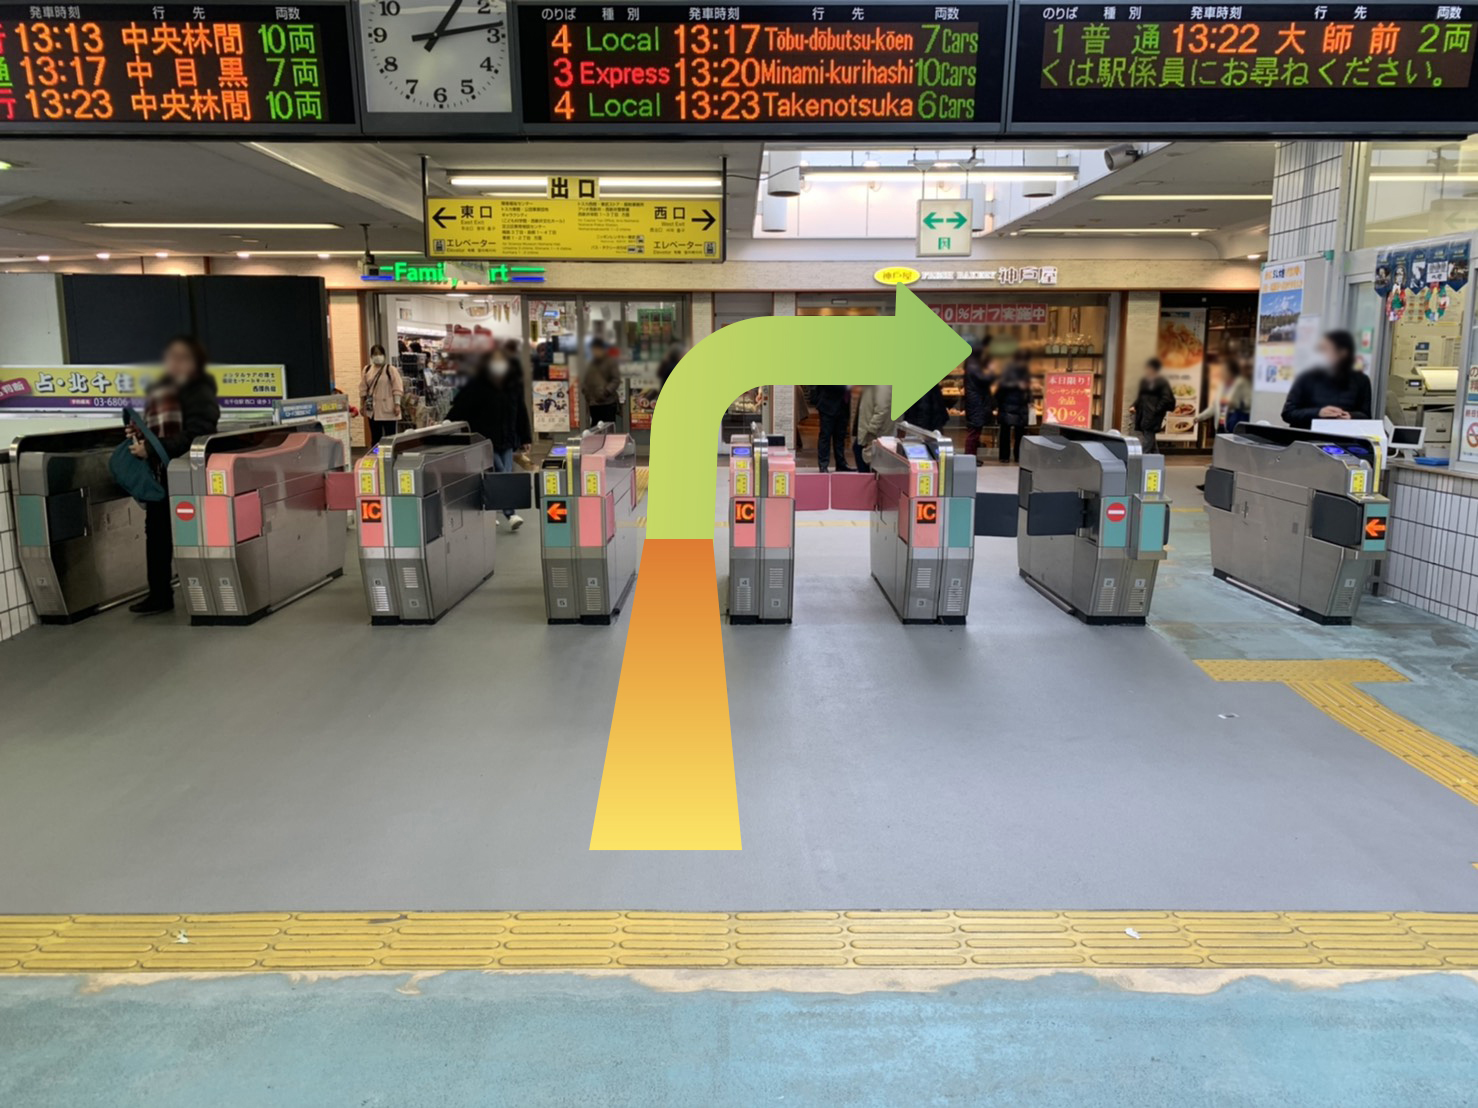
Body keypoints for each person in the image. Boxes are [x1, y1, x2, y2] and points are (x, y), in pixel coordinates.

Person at [128, 335, 220, 615]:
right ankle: (159, 594)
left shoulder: (199, 392)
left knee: (190, 533)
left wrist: (154, 449)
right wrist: (139, 437)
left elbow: (198, 433)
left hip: (185, 474)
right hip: (160, 475)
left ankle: (207, 590)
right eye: (172, 357)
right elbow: (154, 427)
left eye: (183, 357)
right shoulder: (163, 391)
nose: (175, 362)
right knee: (156, 534)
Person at [448, 348, 533, 531]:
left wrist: (526, 437)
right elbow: (462, 406)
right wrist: (448, 422)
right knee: (500, 473)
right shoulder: (477, 385)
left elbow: (521, 412)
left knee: (502, 475)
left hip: (508, 439)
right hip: (485, 440)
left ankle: (491, 509)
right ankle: (510, 513)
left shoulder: (513, 385)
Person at [1282, 329, 1371, 429]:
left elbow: (1366, 416)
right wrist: (1318, 412)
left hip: (1343, 439)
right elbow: (1288, 413)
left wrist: (1351, 416)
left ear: (1343, 353)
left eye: (1325, 350)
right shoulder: (1306, 377)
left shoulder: (1361, 380)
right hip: (1308, 438)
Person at [1194, 354, 1252, 435]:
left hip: (1234, 426)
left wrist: (1233, 403)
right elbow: (1214, 407)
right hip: (1220, 427)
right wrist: (1198, 418)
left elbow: (1248, 404)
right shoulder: (1221, 386)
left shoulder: (1242, 384)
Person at [1129, 357, 1176, 454]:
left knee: (1148, 438)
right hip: (1144, 414)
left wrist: (1156, 410)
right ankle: (1157, 460)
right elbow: (1140, 397)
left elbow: (1166, 398)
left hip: (1152, 415)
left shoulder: (1161, 382)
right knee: (1150, 438)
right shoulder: (1145, 381)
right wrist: (1134, 405)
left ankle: (1140, 459)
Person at [359, 343, 403, 445]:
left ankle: (389, 458)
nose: (377, 356)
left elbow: (397, 388)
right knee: (375, 439)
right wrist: (362, 405)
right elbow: (363, 389)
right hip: (373, 410)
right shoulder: (367, 370)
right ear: (371, 356)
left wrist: (397, 404)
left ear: (384, 355)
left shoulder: (390, 369)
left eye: (379, 354)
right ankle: (376, 458)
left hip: (389, 409)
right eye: (375, 354)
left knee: (390, 438)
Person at [995, 353, 1033, 463]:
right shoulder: (1025, 374)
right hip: (1021, 407)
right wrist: (1030, 401)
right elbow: (1028, 392)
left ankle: (1004, 457)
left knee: (1005, 433)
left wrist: (998, 403)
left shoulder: (1006, 375)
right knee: (1020, 434)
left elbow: (999, 393)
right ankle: (1018, 456)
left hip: (1007, 407)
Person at [962, 339, 996, 460]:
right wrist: (992, 370)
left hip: (976, 403)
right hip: (976, 403)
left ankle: (972, 457)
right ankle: (970, 458)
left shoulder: (972, 363)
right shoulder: (973, 365)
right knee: (974, 433)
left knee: (975, 432)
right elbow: (985, 380)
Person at [808, 384, 852, 472]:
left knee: (840, 437)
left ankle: (841, 464)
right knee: (825, 436)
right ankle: (823, 465)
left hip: (843, 406)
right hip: (828, 405)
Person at [583, 339, 622, 427]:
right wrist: (587, 394)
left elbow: (616, 379)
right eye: (593, 350)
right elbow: (586, 381)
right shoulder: (590, 364)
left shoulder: (610, 362)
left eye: (597, 349)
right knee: (595, 429)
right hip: (593, 403)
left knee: (608, 429)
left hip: (608, 403)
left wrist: (606, 392)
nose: (595, 352)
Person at [854, 384, 894, 472]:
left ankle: (866, 483)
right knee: (860, 451)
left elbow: (882, 409)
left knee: (865, 456)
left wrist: (871, 430)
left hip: (876, 432)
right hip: (871, 429)